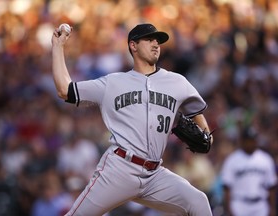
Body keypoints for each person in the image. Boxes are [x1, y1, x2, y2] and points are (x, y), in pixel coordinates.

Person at [51, 23, 214, 216]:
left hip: (154, 174)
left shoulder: (177, 82)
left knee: (198, 202)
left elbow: (200, 118)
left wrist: (206, 135)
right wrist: (58, 46)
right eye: (149, 39)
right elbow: (65, 90)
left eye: (158, 41)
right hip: (119, 169)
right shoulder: (112, 82)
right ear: (133, 46)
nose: (156, 44)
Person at [220, 127, 277, 216]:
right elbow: (227, 188)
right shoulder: (232, 160)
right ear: (242, 141)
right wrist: (228, 210)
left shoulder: (265, 159)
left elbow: (271, 186)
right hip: (239, 204)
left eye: (253, 140)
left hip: (260, 204)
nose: (251, 143)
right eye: (248, 140)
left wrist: (272, 208)